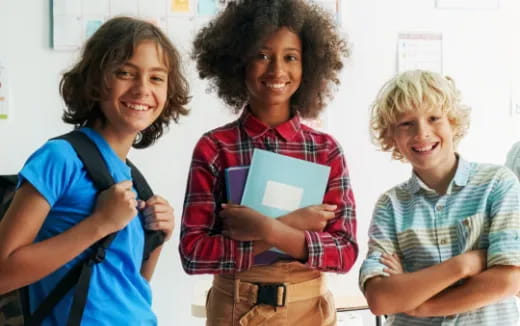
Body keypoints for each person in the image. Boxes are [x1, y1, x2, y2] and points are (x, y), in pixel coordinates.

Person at [0, 16, 189, 325]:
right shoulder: (59, 157)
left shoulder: (135, 181)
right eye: (126, 73)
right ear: (95, 81)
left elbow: (124, 288)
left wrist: (157, 239)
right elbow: (3, 272)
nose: (142, 89)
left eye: (157, 78)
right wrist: (99, 223)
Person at [179, 1, 357, 325]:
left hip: (310, 313)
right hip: (235, 309)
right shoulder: (215, 148)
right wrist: (295, 225)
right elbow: (193, 253)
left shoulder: (326, 151)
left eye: (291, 57)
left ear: (309, 66)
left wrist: (265, 229)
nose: (277, 70)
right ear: (238, 62)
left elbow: (344, 252)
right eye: (262, 55)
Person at [359, 70, 520, 325]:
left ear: (453, 123)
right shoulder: (390, 206)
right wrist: (465, 265)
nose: (422, 132)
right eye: (406, 123)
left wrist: (419, 306)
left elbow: (507, 280)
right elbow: (381, 299)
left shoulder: (498, 184)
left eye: (434, 118)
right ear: (392, 137)